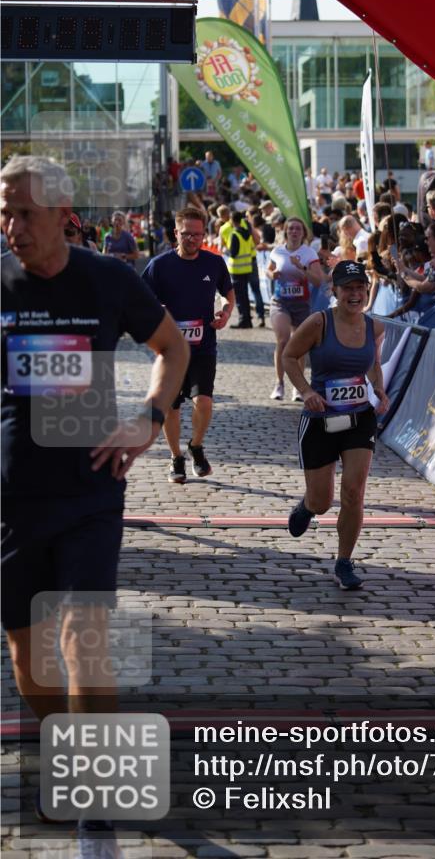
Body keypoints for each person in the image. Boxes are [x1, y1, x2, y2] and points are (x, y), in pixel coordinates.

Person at [1, 155, 189, 845]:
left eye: (24, 212)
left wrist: (146, 415)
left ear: (61, 215)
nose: (11, 226)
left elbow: (171, 347)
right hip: (10, 499)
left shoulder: (108, 279)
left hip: (89, 491)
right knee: (26, 656)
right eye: (4, 211)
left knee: (84, 641)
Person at [282, 260, 389, 590]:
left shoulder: (375, 328)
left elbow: (372, 367)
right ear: (335, 292)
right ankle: (307, 506)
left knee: (354, 493)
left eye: (360, 288)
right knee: (322, 500)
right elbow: (289, 355)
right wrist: (306, 391)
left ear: (367, 292)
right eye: (348, 289)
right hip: (320, 420)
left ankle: (344, 562)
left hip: (359, 418)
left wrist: (380, 392)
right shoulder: (319, 322)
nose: (354, 295)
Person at [142, 206, 235, 482]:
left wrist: (226, 312)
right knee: (171, 407)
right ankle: (176, 458)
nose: (192, 239)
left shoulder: (213, 262)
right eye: (186, 234)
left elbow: (228, 293)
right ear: (176, 233)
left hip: (203, 346)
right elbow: (140, 300)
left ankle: (195, 445)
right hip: (169, 350)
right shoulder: (159, 265)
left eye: (197, 234)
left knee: (203, 402)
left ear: (204, 234)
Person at [266, 217, 325, 401]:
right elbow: (268, 270)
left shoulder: (309, 254)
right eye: (290, 228)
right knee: (283, 340)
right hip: (280, 302)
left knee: (299, 346)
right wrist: (272, 274)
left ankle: (298, 387)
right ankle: (279, 383)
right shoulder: (277, 251)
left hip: (301, 305)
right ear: (285, 231)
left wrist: (303, 268)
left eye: (298, 229)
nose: (294, 231)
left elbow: (318, 280)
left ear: (303, 233)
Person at [227, 210, 259, 329]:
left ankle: (243, 320)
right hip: (247, 268)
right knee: (245, 296)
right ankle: (247, 320)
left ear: (232, 220)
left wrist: (227, 251)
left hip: (237, 270)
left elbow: (233, 253)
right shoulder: (247, 233)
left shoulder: (234, 234)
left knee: (240, 297)